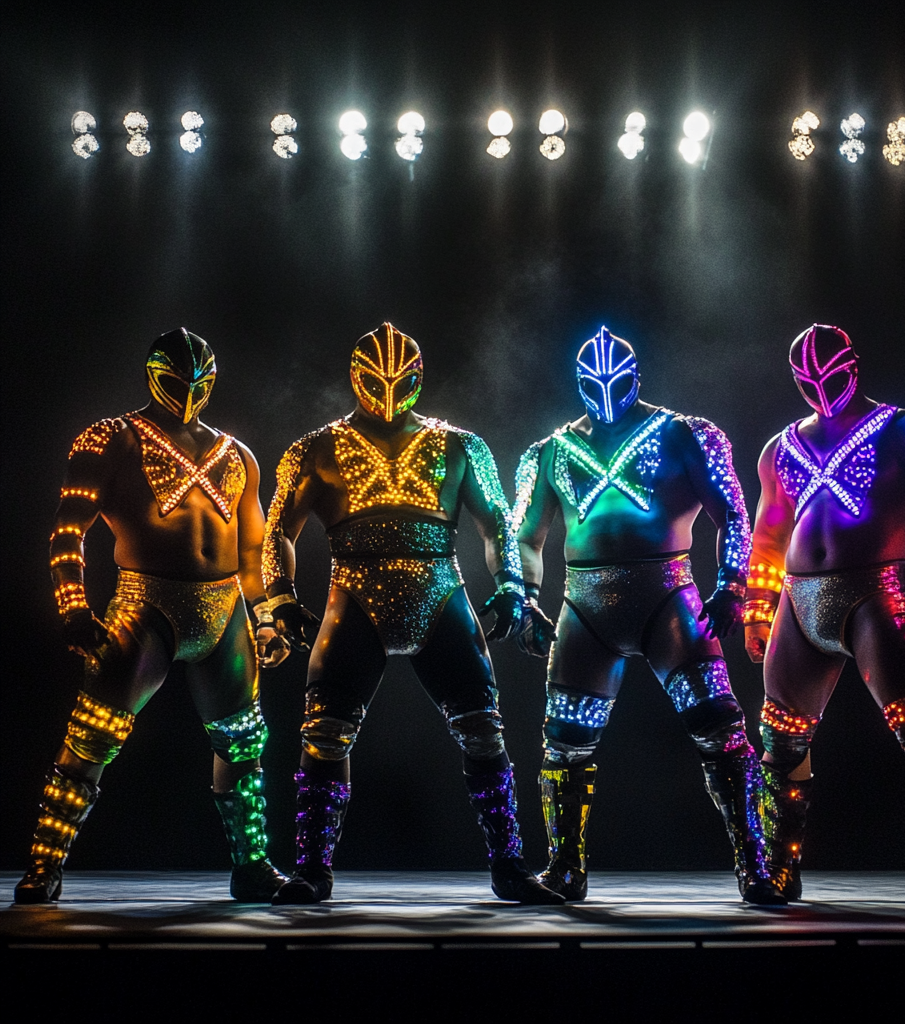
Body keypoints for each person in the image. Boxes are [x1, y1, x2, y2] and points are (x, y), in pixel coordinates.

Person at [260, 322, 561, 905]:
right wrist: (278, 599)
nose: (390, 392)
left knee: (482, 729)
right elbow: (278, 531)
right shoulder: (316, 448)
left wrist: (511, 588)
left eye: (401, 381)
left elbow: (497, 522)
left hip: (430, 590)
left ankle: (509, 864)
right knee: (325, 733)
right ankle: (313, 869)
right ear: (357, 379)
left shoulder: (459, 445)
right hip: (368, 593)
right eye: (379, 381)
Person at [512, 326, 783, 904]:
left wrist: (733, 584)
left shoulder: (687, 434)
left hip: (668, 597)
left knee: (722, 730)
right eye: (596, 386)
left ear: (636, 378)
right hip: (587, 605)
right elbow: (526, 535)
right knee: (565, 742)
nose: (607, 396)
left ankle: (756, 865)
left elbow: (733, 514)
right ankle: (565, 868)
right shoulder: (550, 451)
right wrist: (523, 595)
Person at [15, 328, 287, 904]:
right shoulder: (109, 438)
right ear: (153, 374)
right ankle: (44, 864)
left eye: (198, 382)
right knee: (92, 736)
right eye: (177, 380)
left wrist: (265, 617)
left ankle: (253, 864)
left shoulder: (237, 455)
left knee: (243, 743)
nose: (188, 392)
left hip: (224, 607)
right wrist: (73, 606)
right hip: (145, 604)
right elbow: (69, 531)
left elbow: (251, 552)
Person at [743, 323, 905, 903]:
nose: (819, 388)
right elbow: (768, 534)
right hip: (799, 597)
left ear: (853, 366)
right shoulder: (779, 448)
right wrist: (758, 610)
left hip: (874, 594)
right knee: (782, 740)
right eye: (807, 381)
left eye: (829, 376)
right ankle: (781, 868)